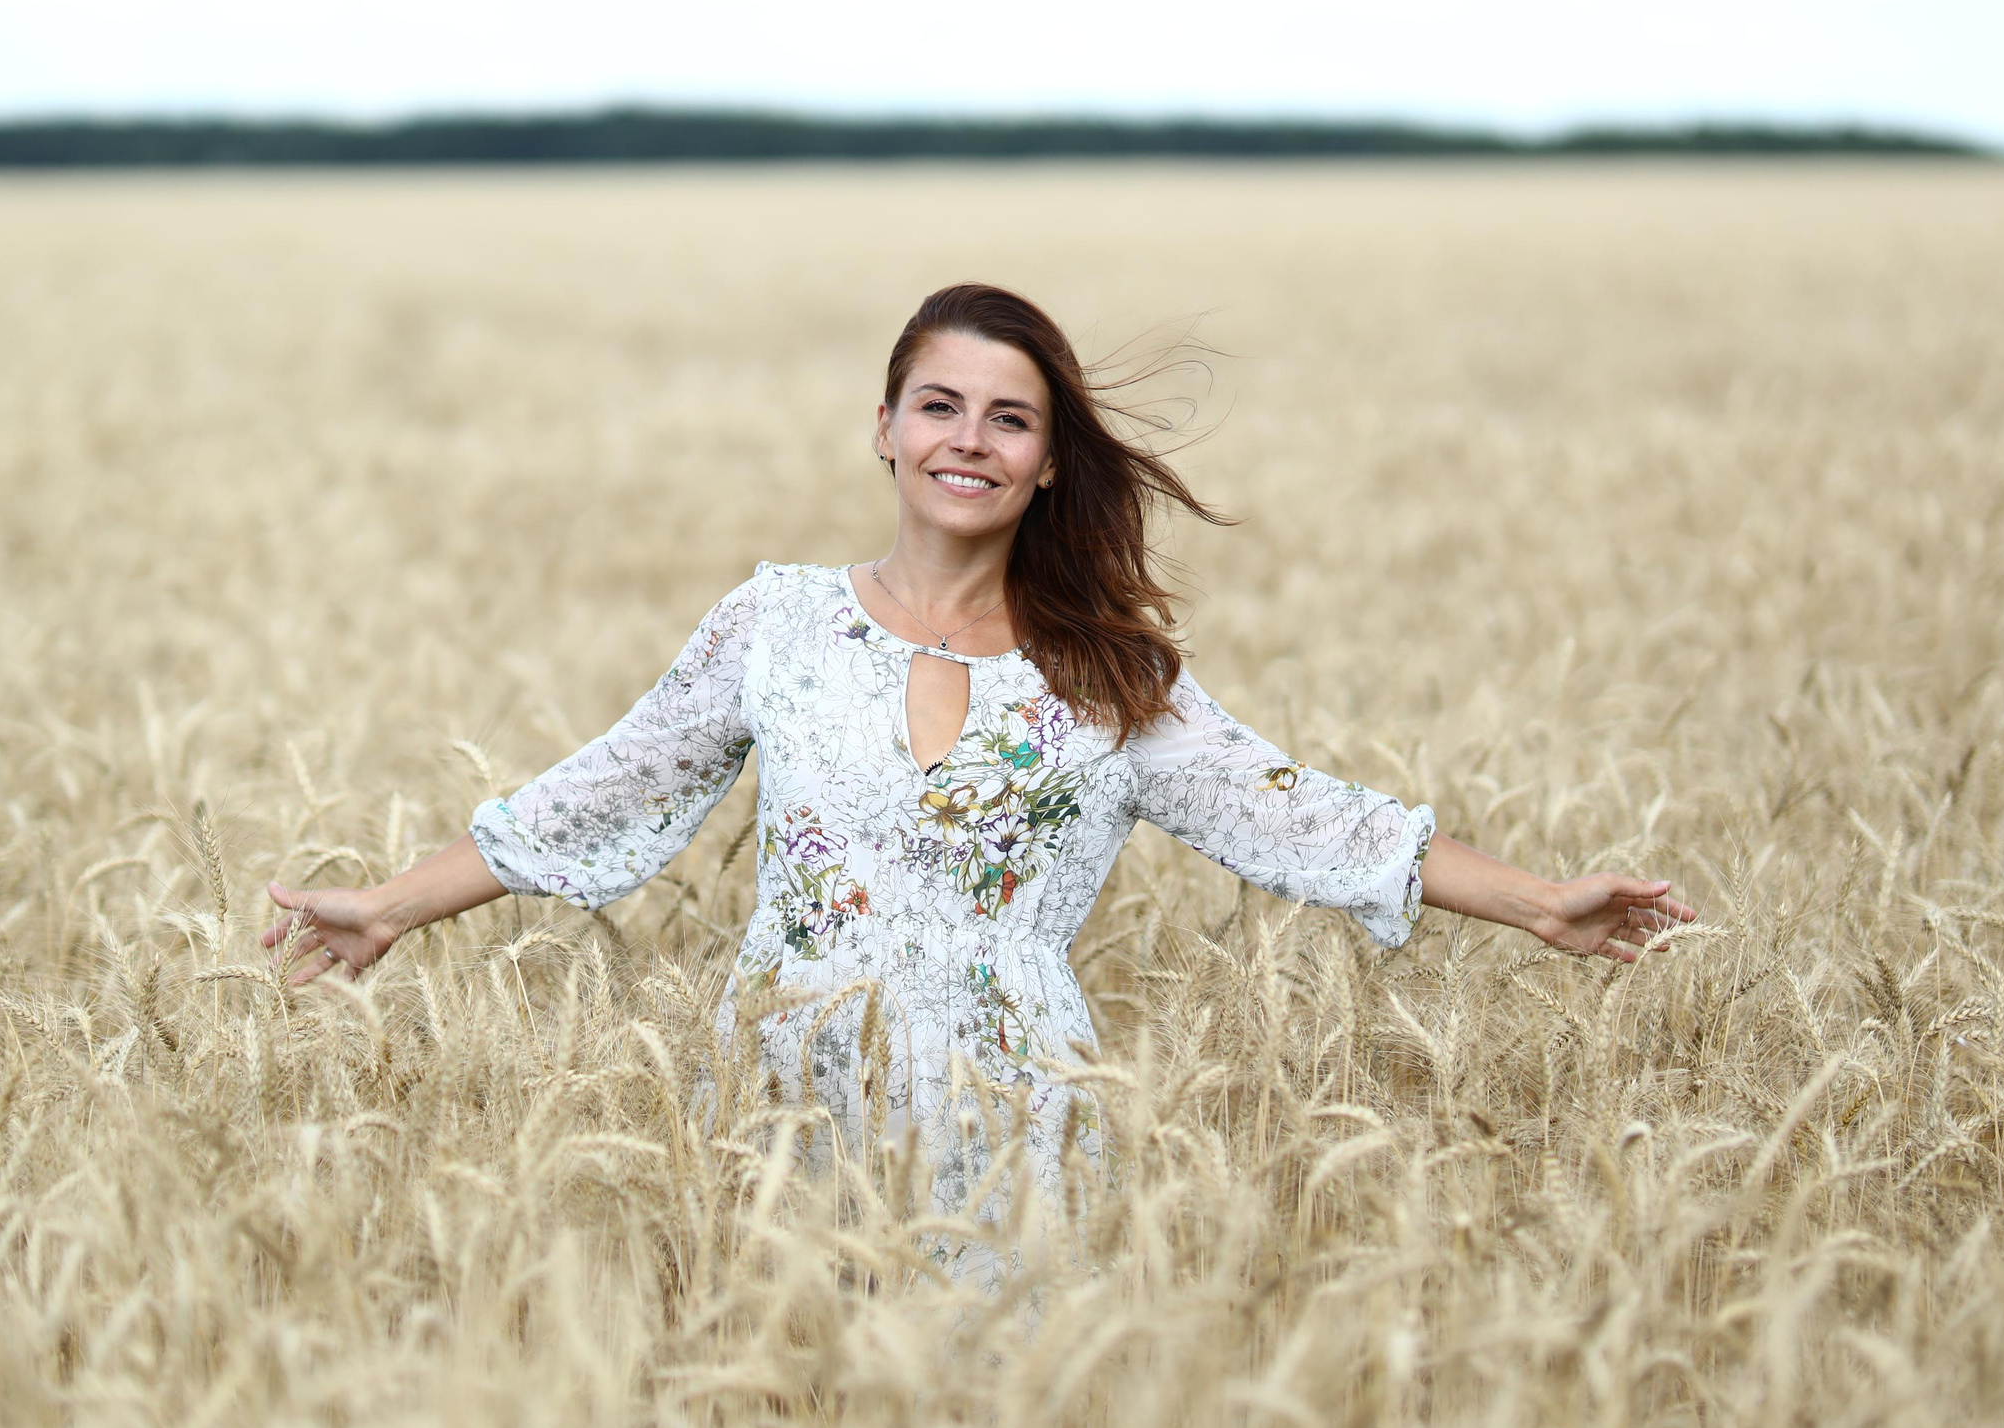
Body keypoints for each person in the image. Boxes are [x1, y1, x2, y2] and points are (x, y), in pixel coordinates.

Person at [262, 283, 1694, 1215]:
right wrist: (385, 906)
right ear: (884, 429)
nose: (971, 439)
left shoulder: (1106, 679)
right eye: (940, 406)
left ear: (1050, 461)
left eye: (1011, 420)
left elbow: (1304, 816)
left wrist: (1540, 903)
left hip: (1015, 1105)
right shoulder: (776, 621)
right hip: (781, 1092)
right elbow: (600, 793)